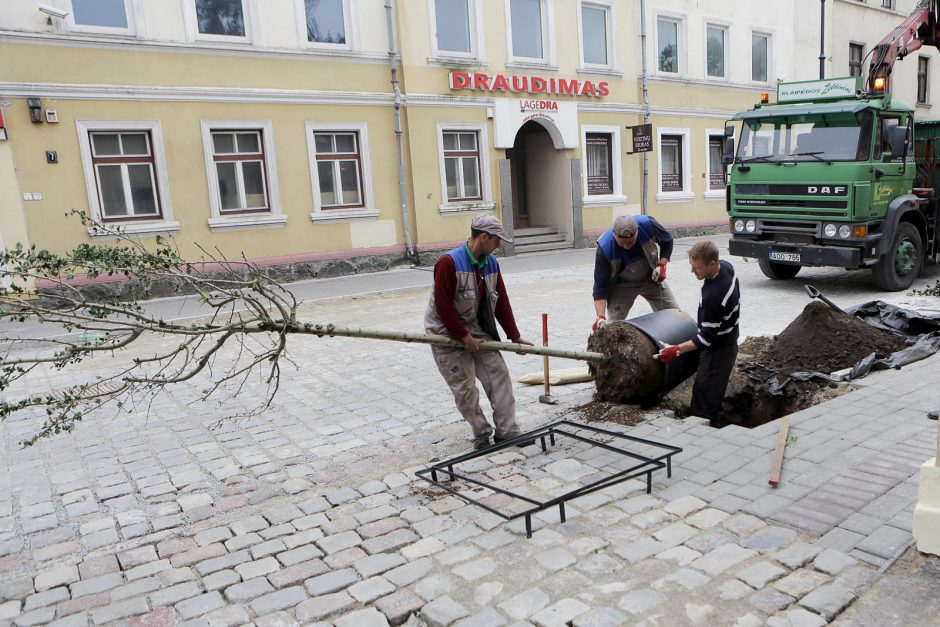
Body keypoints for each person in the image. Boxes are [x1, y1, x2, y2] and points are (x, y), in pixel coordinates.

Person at [425, 215, 534, 450]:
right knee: (464, 387)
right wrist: (463, 338)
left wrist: (514, 335)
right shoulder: (449, 263)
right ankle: (481, 433)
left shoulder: (492, 264)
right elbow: (443, 307)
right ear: (483, 237)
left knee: (499, 376)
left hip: (477, 329)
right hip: (445, 333)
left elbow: (501, 302)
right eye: (497, 240)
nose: (500, 245)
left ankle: (507, 432)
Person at [655, 240, 740, 426]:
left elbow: (705, 339)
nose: (693, 271)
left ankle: (702, 430)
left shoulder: (715, 296)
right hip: (729, 338)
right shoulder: (726, 267)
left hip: (719, 350)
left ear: (712, 263)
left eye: (697, 267)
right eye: (692, 266)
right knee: (710, 389)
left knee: (706, 395)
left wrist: (676, 349)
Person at [592, 214, 680, 332]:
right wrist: (600, 317)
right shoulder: (605, 248)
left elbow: (667, 240)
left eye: (631, 242)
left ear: (637, 231)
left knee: (674, 316)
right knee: (612, 329)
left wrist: (662, 265)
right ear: (614, 234)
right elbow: (600, 287)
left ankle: (678, 345)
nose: (627, 246)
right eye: (622, 243)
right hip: (622, 287)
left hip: (651, 279)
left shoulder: (648, 225)